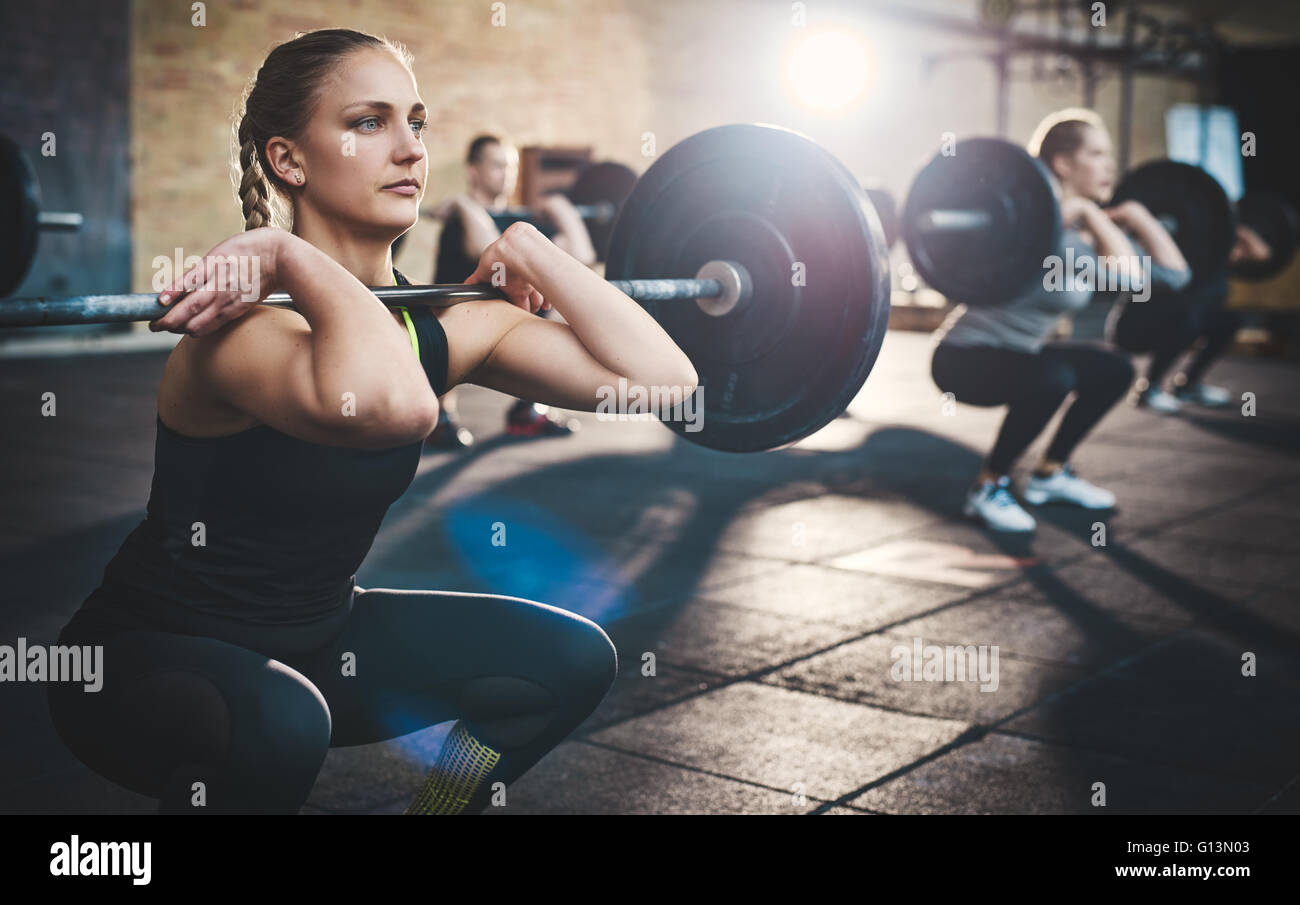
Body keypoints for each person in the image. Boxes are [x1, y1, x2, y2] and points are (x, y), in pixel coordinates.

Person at [45, 27, 696, 814]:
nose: (411, 149)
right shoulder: (240, 335)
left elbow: (667, 383)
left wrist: (533, 248)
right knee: (281, 723)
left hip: (320, 642)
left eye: (415, 123)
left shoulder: (437, 324)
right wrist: (288, 255)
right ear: (289, 161)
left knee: (568, 660)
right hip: (149, 662)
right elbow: (398, 405)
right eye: (368, 122)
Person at [929, 108, 1191, 533]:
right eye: (1097, 154)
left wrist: (1137, 216)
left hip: (1019, 356)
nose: (1110, 166)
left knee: (1114, 369)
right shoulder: (1041, 233)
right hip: (964, 359)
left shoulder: (1080, 239)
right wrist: (1091, 213)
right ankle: (988, 487)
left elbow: (1175, 277)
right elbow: (1131, 278)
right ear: (1064, 164)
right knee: (1053, 376)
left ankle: (1050, 475)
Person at [423, 134, 598, 448]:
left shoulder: (521, 220)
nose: (508, 175)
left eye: (511, 167)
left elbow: (582, 257)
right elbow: (488, 248)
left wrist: (561, 209)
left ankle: (526, 410)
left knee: (551, 304)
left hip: (506, 322)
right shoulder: (461, 221)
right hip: (455, 323)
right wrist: (463, 203)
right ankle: (438, 415)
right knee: (444, 330)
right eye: (498, 166)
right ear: (473, 172)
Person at [1108, 222, 1271, 412]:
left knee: (1228, 321)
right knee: (1187, 319)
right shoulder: (1176, 247)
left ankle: (1188, 385)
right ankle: (1148, 389)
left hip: (1180, 322)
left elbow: (1262, 254)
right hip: (1135, 328)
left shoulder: (1219, 247)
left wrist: (1230, 223)